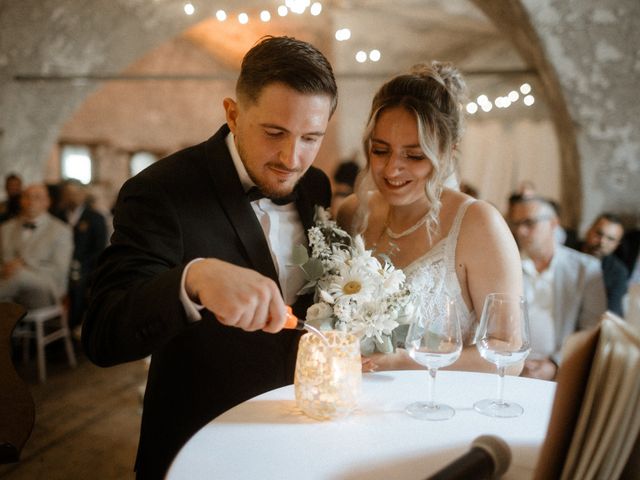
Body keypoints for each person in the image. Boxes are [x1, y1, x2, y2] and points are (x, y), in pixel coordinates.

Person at [81, 36, 337, 479]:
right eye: (274, 132)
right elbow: (103, 334)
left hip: (301, 443)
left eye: (311, 137)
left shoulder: (316, 186)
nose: (291, 158)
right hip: (200, 448)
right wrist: (192, 279)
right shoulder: (160, 191)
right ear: (234, 113)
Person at [337, 62, 523, 373]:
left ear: (450, 152)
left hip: (436, 408)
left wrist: (406, 362)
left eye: (415, 155)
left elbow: (509, 354)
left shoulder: (478, 224)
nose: (392, 169)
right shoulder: (352, 213)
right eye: (381, 150)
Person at [507, 195, 606, 380]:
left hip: (562, 371)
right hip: (508, 365)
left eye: (529, 223)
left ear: (553, 223)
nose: (521, 231)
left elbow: (592, 329)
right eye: (516, 223)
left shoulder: (586, 269)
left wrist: (555, 364)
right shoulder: (506, 265)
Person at [0, 183, 73, 309]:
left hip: (46, 288)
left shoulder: (61, 230)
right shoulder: (6, 228)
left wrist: (24, 264)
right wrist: (5, 269)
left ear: (47, 202)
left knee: (19, 276)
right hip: (8, 285)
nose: (31, 202)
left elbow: (59, 271)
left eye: (37, 197)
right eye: (27, 197)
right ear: (21, 201)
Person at [54, 179, 108, 329]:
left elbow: (99, 249)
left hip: (87, 266)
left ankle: (73, 324)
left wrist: (80, 264)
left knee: (76, 283)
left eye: (75, 193)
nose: (72, 197)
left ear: (83, 194)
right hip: (59, 264)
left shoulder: (95, 218)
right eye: (68, 193)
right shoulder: (57, 216)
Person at [579, 213, 628, 316]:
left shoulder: (618, 272)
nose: (602, 242)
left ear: (616, 245)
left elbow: (613, 313)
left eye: (610, 239)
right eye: (599, 234)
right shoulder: (566, 252)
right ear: (588, 231)